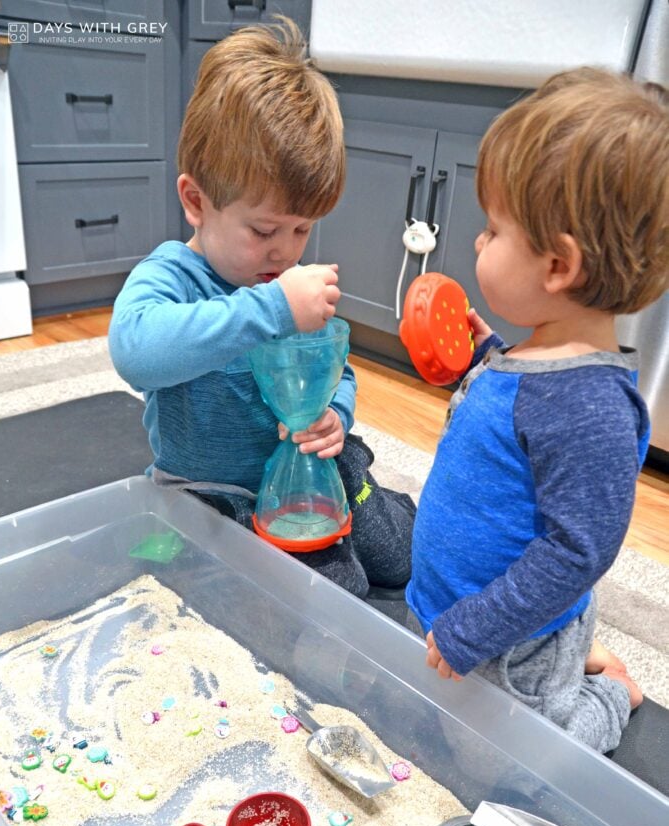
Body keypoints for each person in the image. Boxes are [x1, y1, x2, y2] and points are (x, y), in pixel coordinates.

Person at [406, 67, 669, 752]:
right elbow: (517, 408)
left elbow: (577, 551)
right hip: (461, 614)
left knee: (515, 764)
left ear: (557, 267)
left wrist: (476, 629)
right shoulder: (533, 354)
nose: (476, 243)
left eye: (493, 231)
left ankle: (608, 694)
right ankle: (575, 654)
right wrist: (480, 351)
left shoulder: (593, 411)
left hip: (508, 644)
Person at [109, 18, 414, 600]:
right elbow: (135, 350)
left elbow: (337, 372)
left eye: (303, 229)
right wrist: (270, 308)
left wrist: (335, 418)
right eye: (265, 228)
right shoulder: (175, 275)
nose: (286, 250)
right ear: (196, 201)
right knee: (314, 591)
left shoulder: (287, 281)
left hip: (299, 483)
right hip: (200, 491)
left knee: (393, 559)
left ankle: (363, 481)